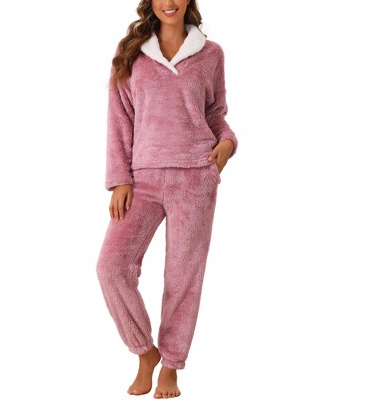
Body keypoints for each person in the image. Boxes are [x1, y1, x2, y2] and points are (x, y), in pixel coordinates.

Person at [95, 0, 238, 398]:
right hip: (142, 178)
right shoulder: (131, 52)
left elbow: (216, 114)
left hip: (195, 176)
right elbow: (119, 119)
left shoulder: (211, 54)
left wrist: (228, 143)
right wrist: (119, 180)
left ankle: (172, 365)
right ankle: (146, 351)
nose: (169, 2)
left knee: (183, 276)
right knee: (111, 267)